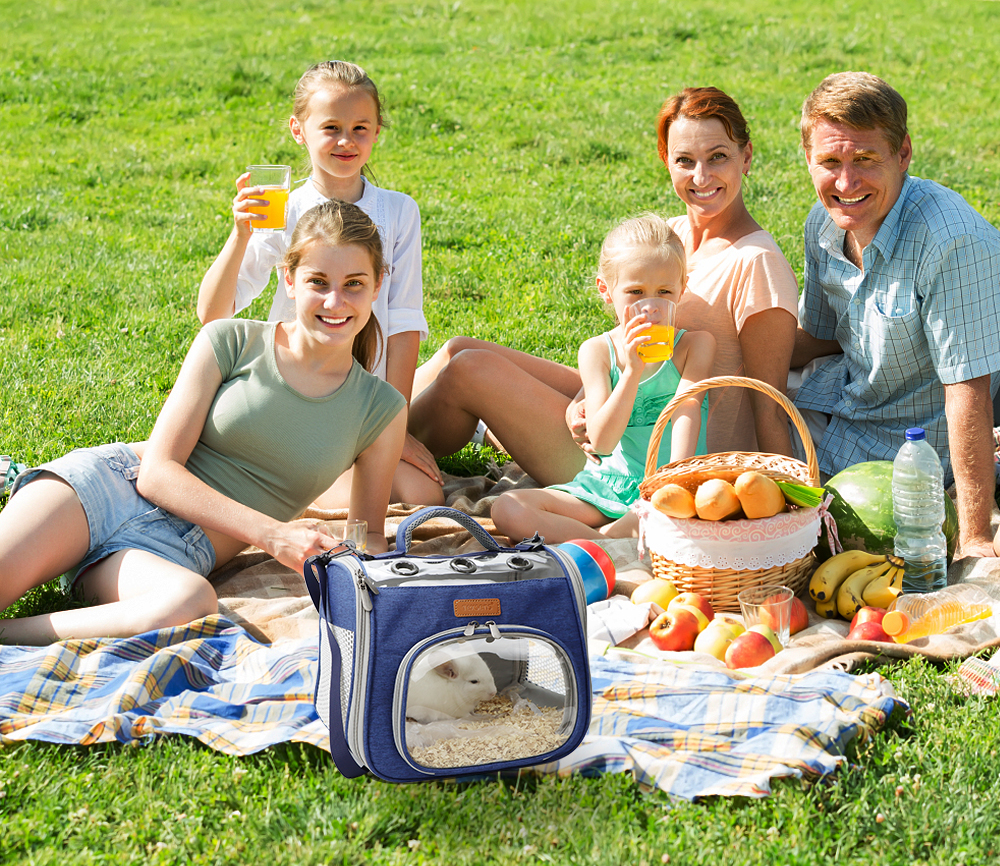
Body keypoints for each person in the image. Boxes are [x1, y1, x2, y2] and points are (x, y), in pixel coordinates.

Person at [0, 201, 408, 645]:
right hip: (106, 490)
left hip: (172, 554)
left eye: (353, 284)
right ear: (289, 280)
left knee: (190, 603)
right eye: (318, 282)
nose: (335, 301)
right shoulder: (231, 340)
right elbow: (156, 474)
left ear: (377, 284)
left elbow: (366, 541)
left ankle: (8, 635)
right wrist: (273, 535)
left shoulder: (380, 409)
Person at [408, 86, 798, 481]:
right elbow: (622, 345)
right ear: (666, 161)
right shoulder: (670, 236)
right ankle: (371, 423)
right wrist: (581, 399)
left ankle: (379, 443)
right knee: (459, 348)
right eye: (685, 160)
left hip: (650, 459)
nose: (701, 176)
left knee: (469, 371)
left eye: (718, 157)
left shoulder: (756, 263)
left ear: (745, 157)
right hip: (626, 404)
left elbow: (769, 406)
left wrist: (796, 510)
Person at [196, 60, 442, 507]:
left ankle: (300, 484)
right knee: (378, 491)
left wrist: (395, 423)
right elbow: (214, 313)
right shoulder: (283, 209)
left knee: (423, 493)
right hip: (293, 389)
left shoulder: (399, 211)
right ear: (298, 130)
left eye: (360, 128)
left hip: (363, 396)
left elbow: (405, 323)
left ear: (377, 131)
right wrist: (239, 234)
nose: (346, 141)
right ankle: (287, 481)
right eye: (331, 127)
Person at [790, 71, 1000, 558]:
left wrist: (975, 537)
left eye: (865, 159)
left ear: (902, 153)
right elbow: (820, 337)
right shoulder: (823, 222)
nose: (846, 182)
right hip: (850, 402)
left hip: (918, 444)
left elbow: (968, 391)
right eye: (829, 162)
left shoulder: (952, 242)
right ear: (808, 159)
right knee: (727, 411)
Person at [492, 216, 714, 544]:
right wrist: (632, 371)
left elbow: (686, 410)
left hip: (671, 484)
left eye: (664, 292)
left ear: (682, 288)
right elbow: (603, 442)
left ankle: (616, 536)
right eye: (636, 292)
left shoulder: (695, 346)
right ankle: (614, 541)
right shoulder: (597, 352)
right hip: (609, 485)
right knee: (507, 509)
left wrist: (672, 484)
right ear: (606, 291)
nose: (650, 307)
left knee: (682, 518)